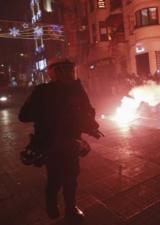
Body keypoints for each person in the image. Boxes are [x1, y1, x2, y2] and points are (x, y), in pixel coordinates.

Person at [19, 60, 102, 223]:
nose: (67, 73)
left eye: (70, 69)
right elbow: (24, 115)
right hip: (51, 144)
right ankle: (51, 203)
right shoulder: (42, 91)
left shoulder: (77, 90)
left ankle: (71, 209)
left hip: (72, 143)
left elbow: (87, 112)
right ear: (53, 73)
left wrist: (91, 126)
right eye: (62, 70)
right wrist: (44, 111)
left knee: (72, 177)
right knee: (55, 178)